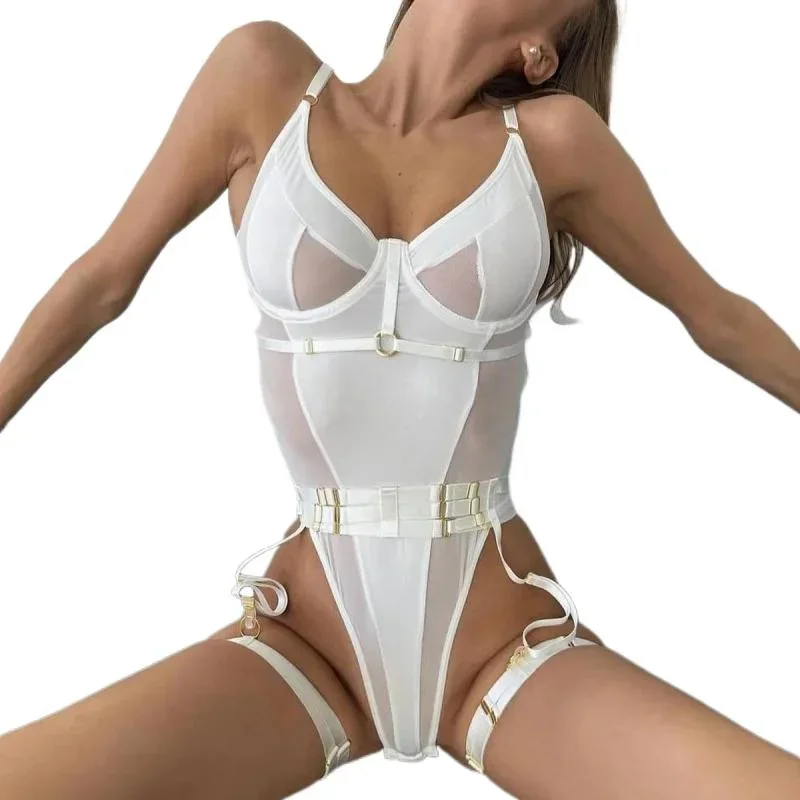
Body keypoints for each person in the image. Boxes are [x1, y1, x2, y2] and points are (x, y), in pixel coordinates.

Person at [0, 1, 798, 797]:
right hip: (306, 643)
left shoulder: (554, 143)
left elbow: (719, 317)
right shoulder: (262, 74)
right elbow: (102, 281)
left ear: (539, 54)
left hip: (503, 647)